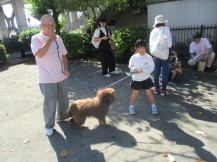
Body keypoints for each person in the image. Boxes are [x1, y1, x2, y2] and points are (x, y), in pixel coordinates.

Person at [31, 15, 70, 136]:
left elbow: (63, 55)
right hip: (47, 79)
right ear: (41, 26)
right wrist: (50, 40)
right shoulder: (36, 39)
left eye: (53, 25)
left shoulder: (58, 38)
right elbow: (40, 54)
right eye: (49, 25)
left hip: (61, 76)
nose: (51, 28)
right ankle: (48, 125)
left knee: (64, 99)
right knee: (50, 102)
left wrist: (66, 68)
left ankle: (62, 116)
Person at [128, 39, 158, 115]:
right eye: (139, 48)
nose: (141, 50)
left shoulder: (148, 57)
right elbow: (130, 66)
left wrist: (143, 70)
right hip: (136, 79)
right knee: (135, 94)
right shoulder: (134, 57)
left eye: (143, 47)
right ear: (136, 49)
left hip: (146, 79)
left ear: (145, 47)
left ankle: (153, 106)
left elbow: (151, 68)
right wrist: (133, 69)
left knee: (149, 93)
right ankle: (131, 107)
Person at [149, 15, 172, 96]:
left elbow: (151, 45)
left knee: (156, 71)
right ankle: (164, 90)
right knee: (165, 73)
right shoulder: (166, 30)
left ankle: (156, 88)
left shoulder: (153, 31)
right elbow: (169, 44)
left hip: (155, 54)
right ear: (163, 22)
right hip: (164, 54)